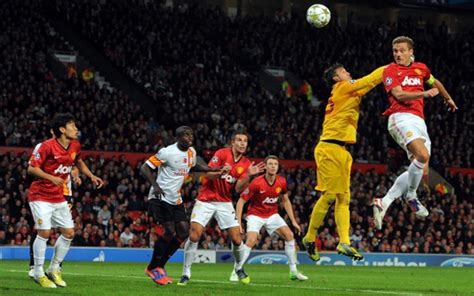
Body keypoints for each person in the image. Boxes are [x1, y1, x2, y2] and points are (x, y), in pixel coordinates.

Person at [302, 63, 386, 262]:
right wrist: (390, 68)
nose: (348, 72)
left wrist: (386, 76)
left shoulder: (348, 92)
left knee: (343, 199)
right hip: (329, 148)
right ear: (336, 78)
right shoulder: (343, 87)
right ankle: (310, 237)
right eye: (343, 71)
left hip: (342, 151)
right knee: (330, 195)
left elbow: (368, 86)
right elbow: (369, 79)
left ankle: (344, 242)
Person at [373, 36, 458, 230]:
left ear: (411, 51)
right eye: (395, 51)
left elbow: (436, 83)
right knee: (422, 155)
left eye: (402, 50)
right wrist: (424, 94)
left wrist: (448, 98)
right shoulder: (391, 70)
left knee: (420, 168)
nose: (398, 54)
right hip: (400, 118)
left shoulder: (421, 68)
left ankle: (384, 202)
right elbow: (399, 94)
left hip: (419, 121)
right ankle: (411, 195)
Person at [178, 129, 265, 286]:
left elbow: (238, 189)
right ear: (232, 142)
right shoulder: (222, 153)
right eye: (239, 140)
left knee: (238, 239)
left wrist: (249, 176)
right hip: (206, 199)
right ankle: (186, 273)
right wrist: (219, 172)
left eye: (245, 141)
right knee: (194, 235)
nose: (242, 143)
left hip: (225, 202)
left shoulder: (246, 164)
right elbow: (207, 175)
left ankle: (238, 268)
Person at [141, 126, 226, 285]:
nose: (190, 137)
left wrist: (214, 169)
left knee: (183, 232)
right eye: (186, 135)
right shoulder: (167, 152)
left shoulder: (191, 152)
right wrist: (155, 185)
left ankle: (159, 267)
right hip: (160, 197)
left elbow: (195, 166)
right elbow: (144, 168)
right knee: (169, 231)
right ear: (178, 137)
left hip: (175, 199)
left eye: (191, 135)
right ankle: (152, 267)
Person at [27, 113, 104, 288]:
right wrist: (51, 178)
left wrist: (91, 176)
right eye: (72, 125)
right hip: (40, 195)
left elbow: (79, 160)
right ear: (62, 130)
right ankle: (38, 271)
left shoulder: (75, 145)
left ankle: (53, 269)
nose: (76, 129)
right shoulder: (46, 146)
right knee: (44, 232)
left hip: (58, 196)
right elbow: (31, 169)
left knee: (69, 233)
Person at [230, 155, 308, 281]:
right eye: (270, 164)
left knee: (289, 236)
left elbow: (286, 200)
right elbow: (241, 201)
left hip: (272, 214)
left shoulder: (282, 181)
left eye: (275, 164)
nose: (273, 166)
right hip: (255, 214)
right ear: (265, 166)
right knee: (251, 241)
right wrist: (239, 222)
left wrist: (293, 220)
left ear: (278, 167)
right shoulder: (257, 183)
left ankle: (293, 272)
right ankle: (236, 269)